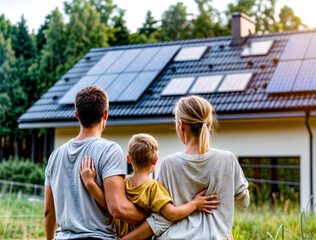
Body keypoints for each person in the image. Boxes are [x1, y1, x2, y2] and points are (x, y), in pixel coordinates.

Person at [121, 95, 250, 240]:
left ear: (181, 125)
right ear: (207, 124)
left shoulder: (169, 165)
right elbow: (243, 202)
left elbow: (160, 219)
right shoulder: (228, 160)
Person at [44, 86, 147, 239]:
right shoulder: (109, 150)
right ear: (105, 114)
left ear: (77, 115)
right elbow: (117, 209)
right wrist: (150, 215)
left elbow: (49, 213)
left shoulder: (55, 155)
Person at [79, 133, 220, 238]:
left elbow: (108, 205)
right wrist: (194, 204)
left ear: (128, 159)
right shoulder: (154, 188)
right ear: (155, 161)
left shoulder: (121, 183)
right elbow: (171, 214)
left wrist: (90, 183)